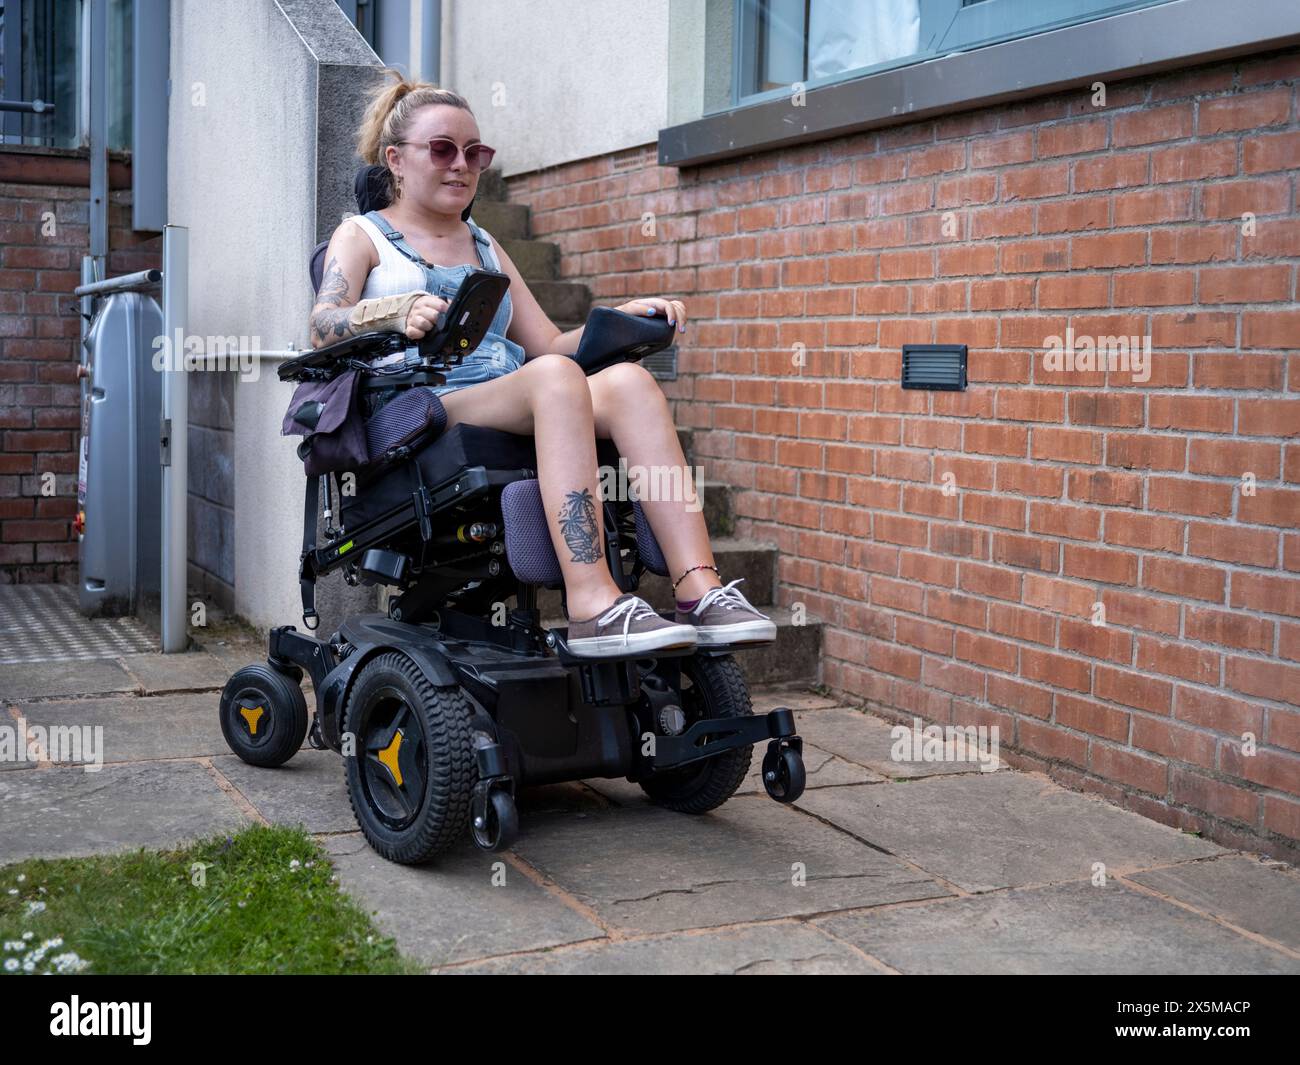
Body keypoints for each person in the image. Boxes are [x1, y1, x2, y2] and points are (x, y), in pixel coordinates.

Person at [308, 69, 776, 659]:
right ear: (395, 160)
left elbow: (550, 345)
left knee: (628, 382)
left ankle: (699, 588)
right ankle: (593, 604)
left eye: (475, 153)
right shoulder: (363, 236)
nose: (462, 165)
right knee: (555, 380)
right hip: (418, 408)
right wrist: (392, 311)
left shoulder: (483, 243)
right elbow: (322, 322)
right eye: (443, 150)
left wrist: (619, 317)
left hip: (507, 391)